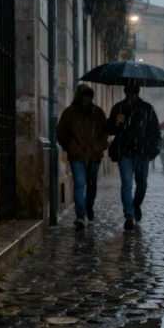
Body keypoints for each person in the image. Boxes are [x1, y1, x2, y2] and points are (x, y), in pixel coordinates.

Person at [106, 85, 161, 230]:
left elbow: (155, 131)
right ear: (125, 92)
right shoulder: (118, 108)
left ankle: (135, 205)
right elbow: (110, 130)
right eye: (129, 93)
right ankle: (129, 215)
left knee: (142, 184)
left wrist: (153, 149)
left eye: (133, 93)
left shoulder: (147, 109)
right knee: (127, 183)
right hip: (125, 152)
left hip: (142, 153)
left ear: (137, 93)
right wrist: (116, 123)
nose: (131, 96)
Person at [56, 84, 108, 231]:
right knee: (79, 183)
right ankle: (80, 215)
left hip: (94, 155)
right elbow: (61, 133)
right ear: (79, 96)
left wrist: (99, 146)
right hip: (77, 155)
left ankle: (88, 207)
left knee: (92, 184)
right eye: (84, 95)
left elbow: (105, 133)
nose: (87, 98)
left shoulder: (98, 113)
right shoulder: (69, 113)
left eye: (89, 95)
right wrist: (71, 147)